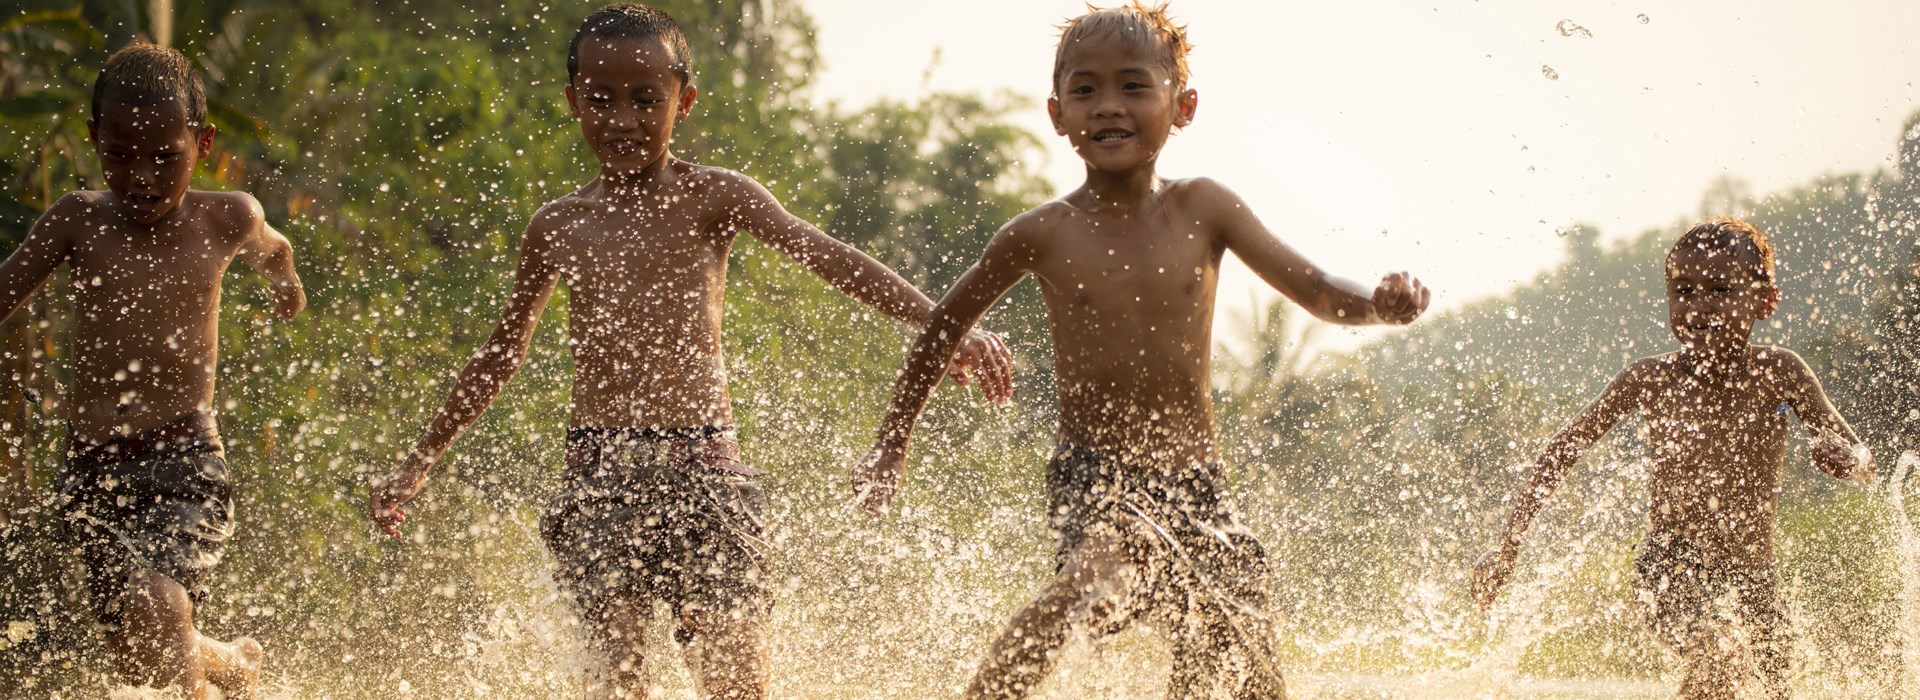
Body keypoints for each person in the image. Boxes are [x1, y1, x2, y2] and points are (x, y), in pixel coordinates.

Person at [365, 4, 1011, 698]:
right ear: (572, 101)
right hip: (597, 478)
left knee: (735, 688)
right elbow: (501, 354)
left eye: (647, 100)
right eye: (600, 99)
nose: (621, 120)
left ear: (685, 101)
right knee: (616, 687)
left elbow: (825, 255)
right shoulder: (558, 225)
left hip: (705, 475)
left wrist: (942, 327)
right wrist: (419, 460)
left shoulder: (714, 196)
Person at [849, 3, 1429, 697]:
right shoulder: (1042, 233)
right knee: (1095, 576)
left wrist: (1377, 304)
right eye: (1085, 90)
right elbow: (943, 327)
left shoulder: (1206, 208)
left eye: (1132, 85)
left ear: (1181, 107)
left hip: (1197, 483)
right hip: (1096, 476)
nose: (1108, 106)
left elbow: (1316, 290)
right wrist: (892, 441)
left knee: (1245, 661)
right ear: (1057, 114)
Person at [0, 41, 305, 699]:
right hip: (91, 469)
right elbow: (5, 290)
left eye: (166, 157)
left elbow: (273, 246)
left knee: (158, 611)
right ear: (94, 140)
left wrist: (285, 279)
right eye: (119, 155)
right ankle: (230, 666)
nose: (141, 176)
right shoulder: (77, 221)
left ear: (204, 140)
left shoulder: (226, 217)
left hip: (183, 459)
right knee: (143, 658)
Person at [1471, 217, 1874, 700]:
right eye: (1683, 290)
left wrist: (1846, 460)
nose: (1699, 306)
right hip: (1671, 564)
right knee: (1718, 653)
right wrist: (1507, 549)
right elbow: (1561, 450)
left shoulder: (1779, 372)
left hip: (1755, 576)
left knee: (1775, 687)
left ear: (1765, 301)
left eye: (1720, 289)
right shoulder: (1649, 380)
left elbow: (1864, 462)